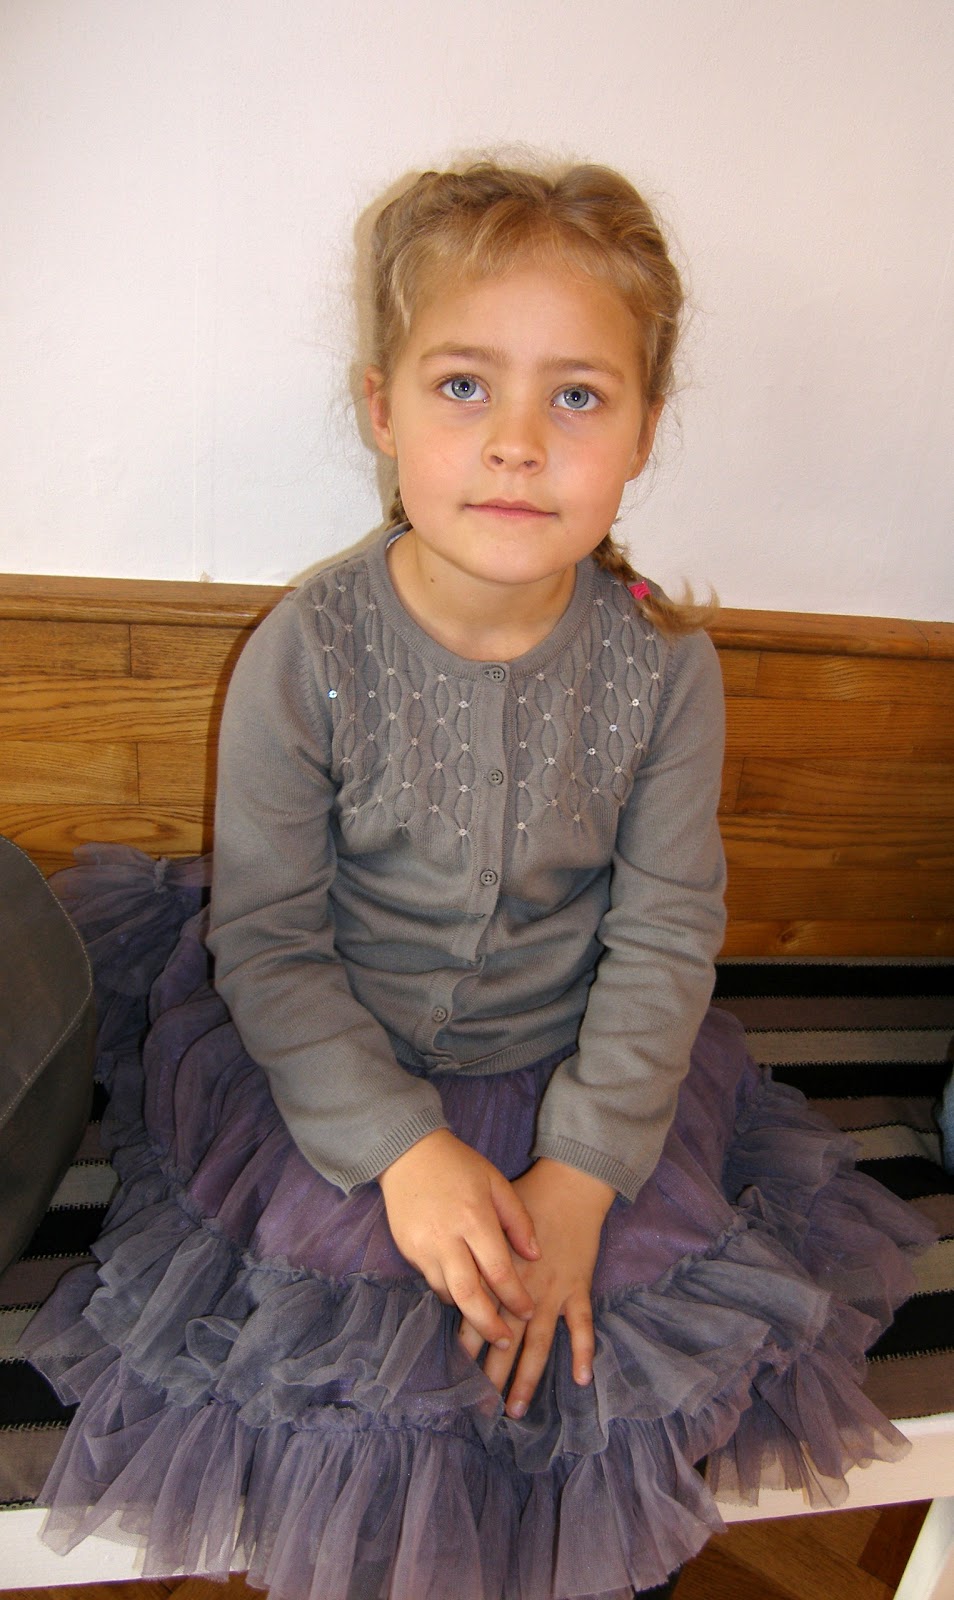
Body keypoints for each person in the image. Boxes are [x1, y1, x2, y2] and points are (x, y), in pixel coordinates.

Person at [22, 160, 933, 1600]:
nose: (516, 442)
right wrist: (401, 1150)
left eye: (576, 396)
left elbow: (664, 937)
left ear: (642, 431)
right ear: (381, 409)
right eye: (463, 385)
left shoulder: (663, 667)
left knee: (593, 1336)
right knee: (373, 1359)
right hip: (331, 1067)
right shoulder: (308, 650)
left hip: (581, 1068)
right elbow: (267, 941)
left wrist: (581, 1169)